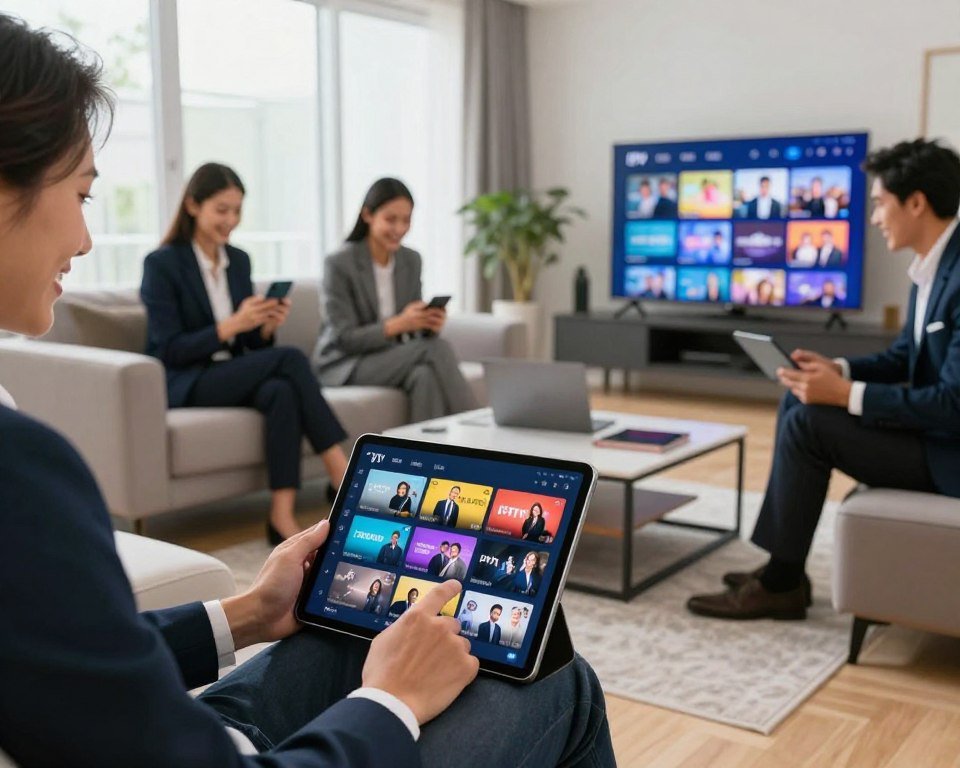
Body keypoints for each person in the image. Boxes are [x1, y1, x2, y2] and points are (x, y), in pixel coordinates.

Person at [0, 16, 618, 768]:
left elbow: (64, 669)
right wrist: (392, 699)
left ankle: (360, 477)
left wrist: (252, 612)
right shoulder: (21, 466)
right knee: (560, 684)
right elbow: (181, 346)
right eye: (84, 194)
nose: (87, 239)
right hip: (197, 380)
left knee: (338, 621)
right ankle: (344, 471)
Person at [688, 139, 960, 621]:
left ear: (916, 202)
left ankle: (781, 583)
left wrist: (847, 395)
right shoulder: (933, 265)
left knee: (810, 423)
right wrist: (840, 371)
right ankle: (782, 570)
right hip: (936, 432)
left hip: (949, 454)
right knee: (799, 401)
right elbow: (906, 357)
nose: (874, 218)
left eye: (880, 203)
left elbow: (952, 404)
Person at [140, 162, 349, 544]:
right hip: (187, 380)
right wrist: (231, 325)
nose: (230, 220)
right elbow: (168, 349)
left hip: (230, 372)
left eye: (236, 211)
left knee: (281, 392)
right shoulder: (162, 264)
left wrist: (264, 326)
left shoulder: (239, 261)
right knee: (291, 359)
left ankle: (280, 516)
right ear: (192, 205)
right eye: (222, 210)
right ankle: (342, 472)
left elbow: (249, 348)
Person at [313, 178, 477, 422]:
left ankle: (422, 456)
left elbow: (414, 338)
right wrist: (400, 324)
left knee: (424, 376)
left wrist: (426, 324)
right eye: (391, 220)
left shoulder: (411, 261)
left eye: (406, 220)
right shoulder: (339, 264)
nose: (399, 229)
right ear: (368, 215)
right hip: (344, 364)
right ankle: (476, 428)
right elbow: (345, 339)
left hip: (389, 356)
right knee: (437, 349)